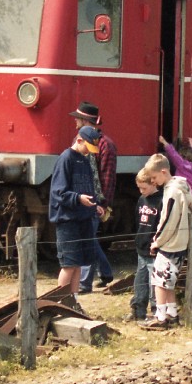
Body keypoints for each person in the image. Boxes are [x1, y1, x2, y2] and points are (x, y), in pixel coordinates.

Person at [141, 153, 192, 330]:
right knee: (169, 282)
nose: (154, 182)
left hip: (170, 243)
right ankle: (172, 314)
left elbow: (167, 219)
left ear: (164, 172)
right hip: (179, 242)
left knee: (159, 281)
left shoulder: (171, 192)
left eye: (154, 177)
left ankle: (160, 317)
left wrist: (157, 241)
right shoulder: (181, 187)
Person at [49, 125, 105, 302]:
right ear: (79, 140)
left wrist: (94, 205)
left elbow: (88, 188)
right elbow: (58, 193)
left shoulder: (85, 160)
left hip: (83, 217)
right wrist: (78, 198)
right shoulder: (66, 159)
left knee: (79, 263)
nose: (90, 152)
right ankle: (61, 301)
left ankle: (73, 301)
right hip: (68, 220)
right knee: (69, 264)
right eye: (88, 148)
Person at [70, 102, 115, 290]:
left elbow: (107, 176)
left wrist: (104, 203)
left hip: (94, 198)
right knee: (88, 237)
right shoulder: (80, 139)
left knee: (87, 238)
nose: (74, 121)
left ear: (84, 120)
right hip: (82, 196)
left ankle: (84, 283)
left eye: (77, 118)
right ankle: (105, 272)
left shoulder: (106, 145)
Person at [130, 168, 163, 322]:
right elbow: (137, 220)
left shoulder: (160, 200)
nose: (141, 191)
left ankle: (157, 311)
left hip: (153, 248)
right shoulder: (141, 200)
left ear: (153, 183)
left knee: (153, 282)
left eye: (144, 188)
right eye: (139, 188)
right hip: (141, 247)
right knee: (140, 280)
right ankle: (138, 309)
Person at [159, 135, 192, 203]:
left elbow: (173, 154)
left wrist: (164, 142)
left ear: (182, 157)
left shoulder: (183, 165)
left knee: (175, 188)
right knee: (188, 212)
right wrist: (191, 143)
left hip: (189, 197)